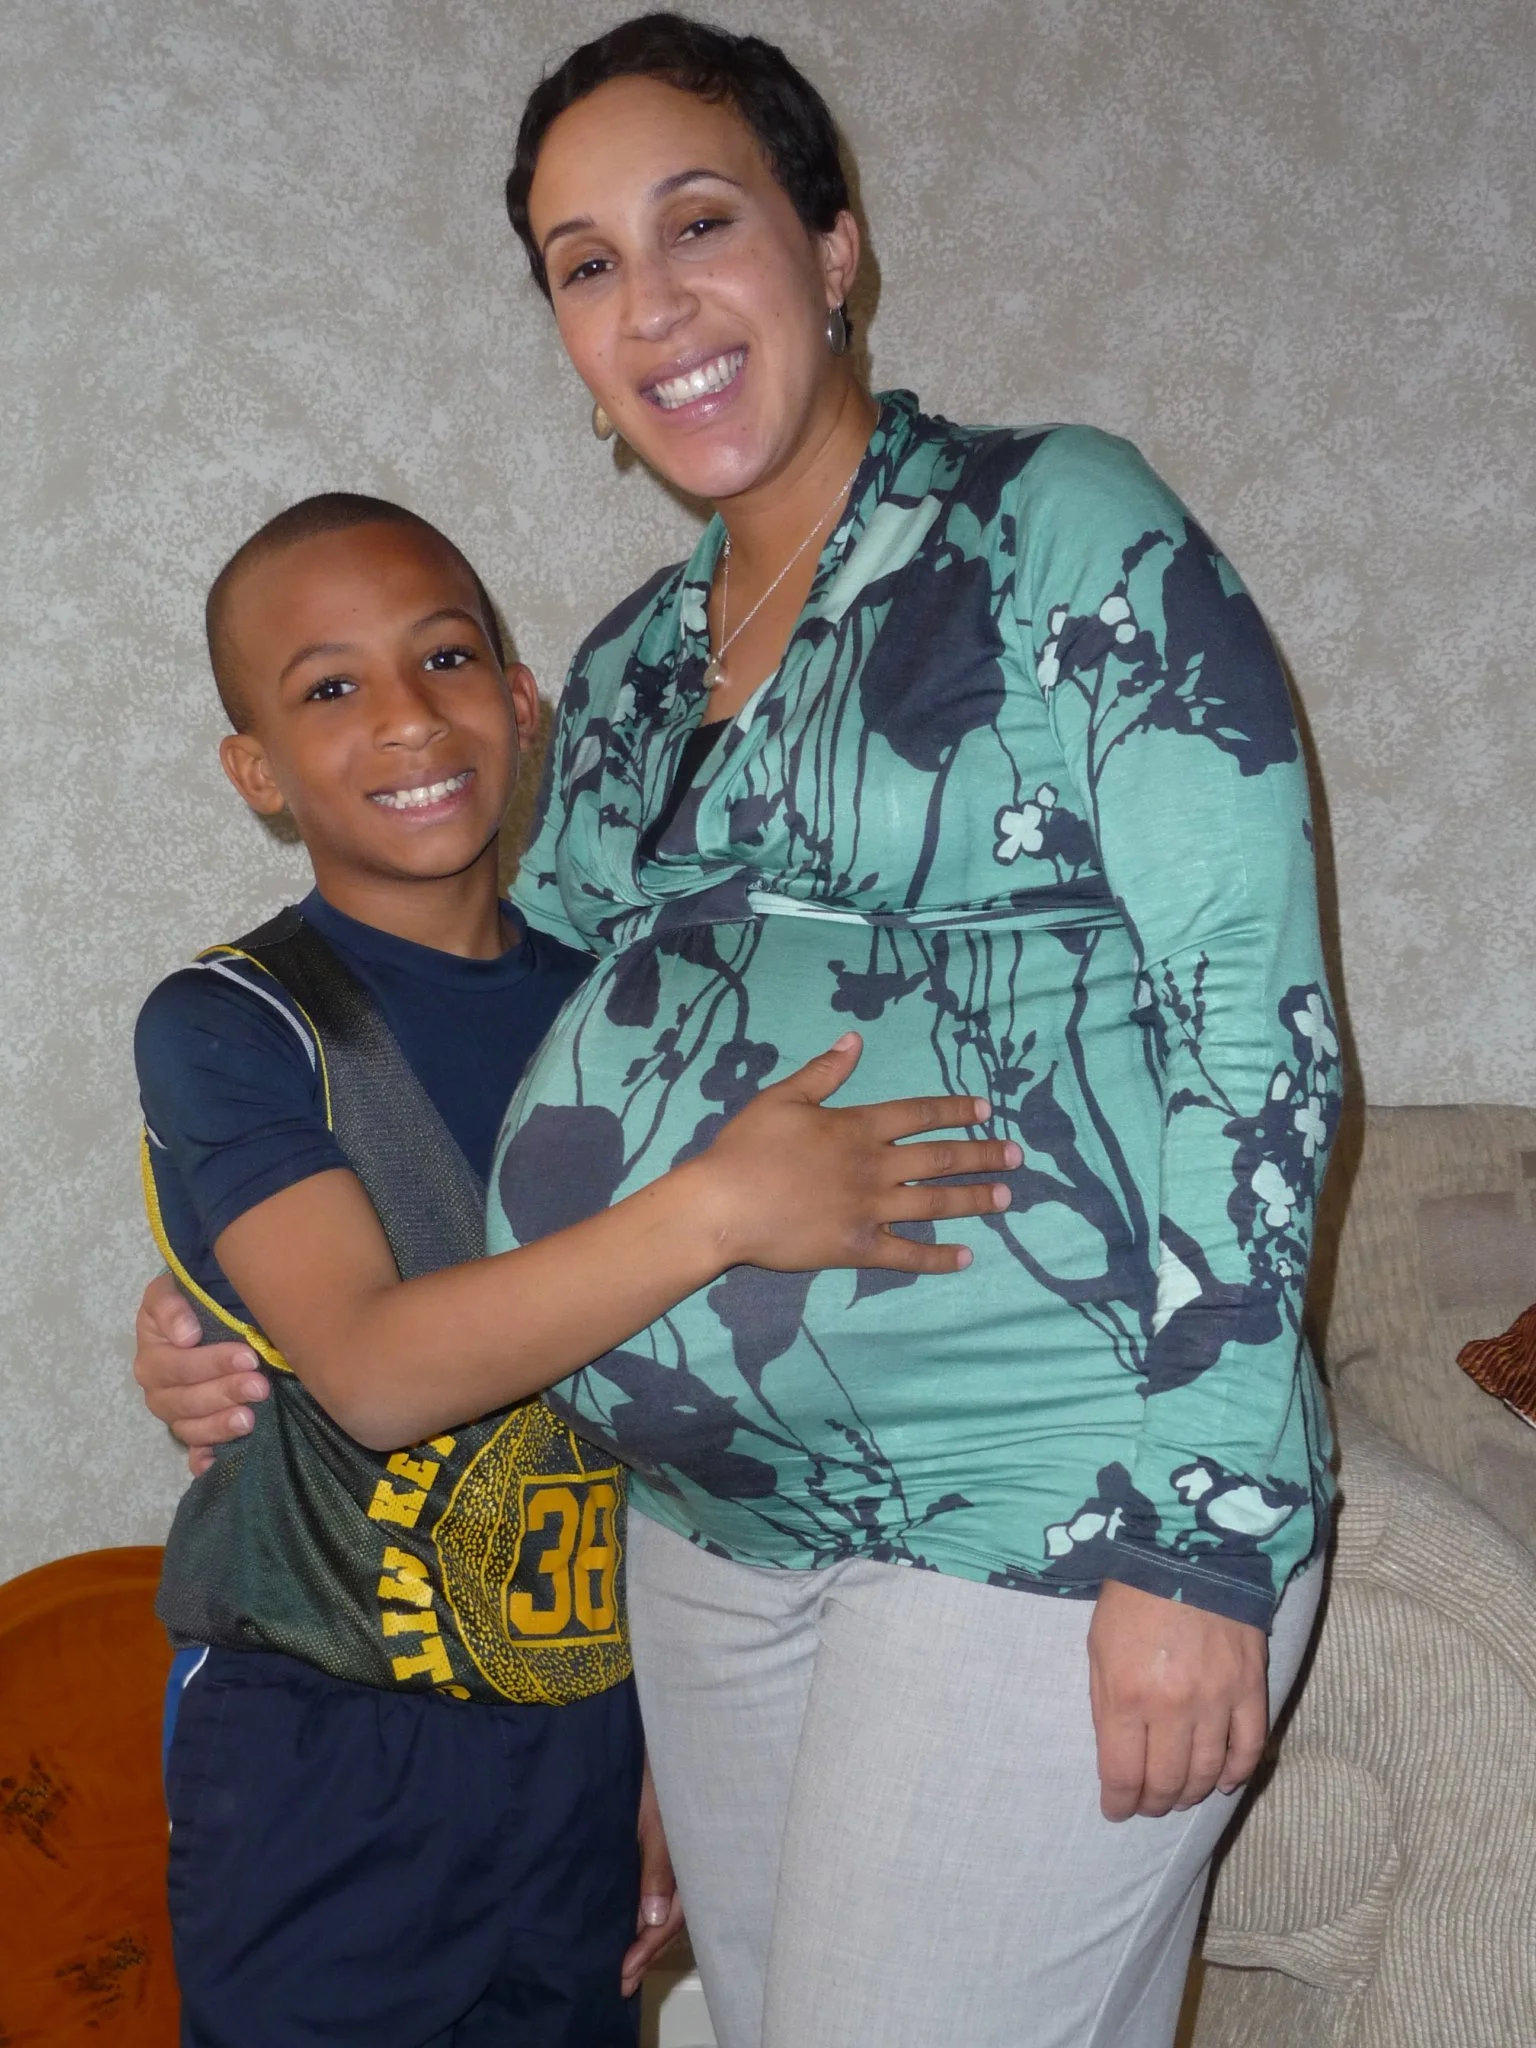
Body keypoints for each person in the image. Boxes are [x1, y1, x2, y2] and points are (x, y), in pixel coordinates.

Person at [136, 15, 1344, 2046]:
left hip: (1043, 1494)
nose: (652, 301)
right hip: (708, 1555)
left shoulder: (1054, 528)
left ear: (836, 246)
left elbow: (1257, 1012)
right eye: (584, 262)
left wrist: (1206, 1542)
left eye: (701, 222)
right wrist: (211, 1312)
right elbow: (522, 1071)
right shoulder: (613, 675)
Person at [135, 488, 1017, 2048]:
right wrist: (720, 1206)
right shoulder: (235, 1022)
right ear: (256, 772)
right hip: (320, 1746)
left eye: (448, 657)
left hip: (591, 1738)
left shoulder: (639, 1009)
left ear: (523, 699)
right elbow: (377, 1372)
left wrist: (678, 1747)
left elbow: (701, 1421)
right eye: (330, 688)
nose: (407, 717)